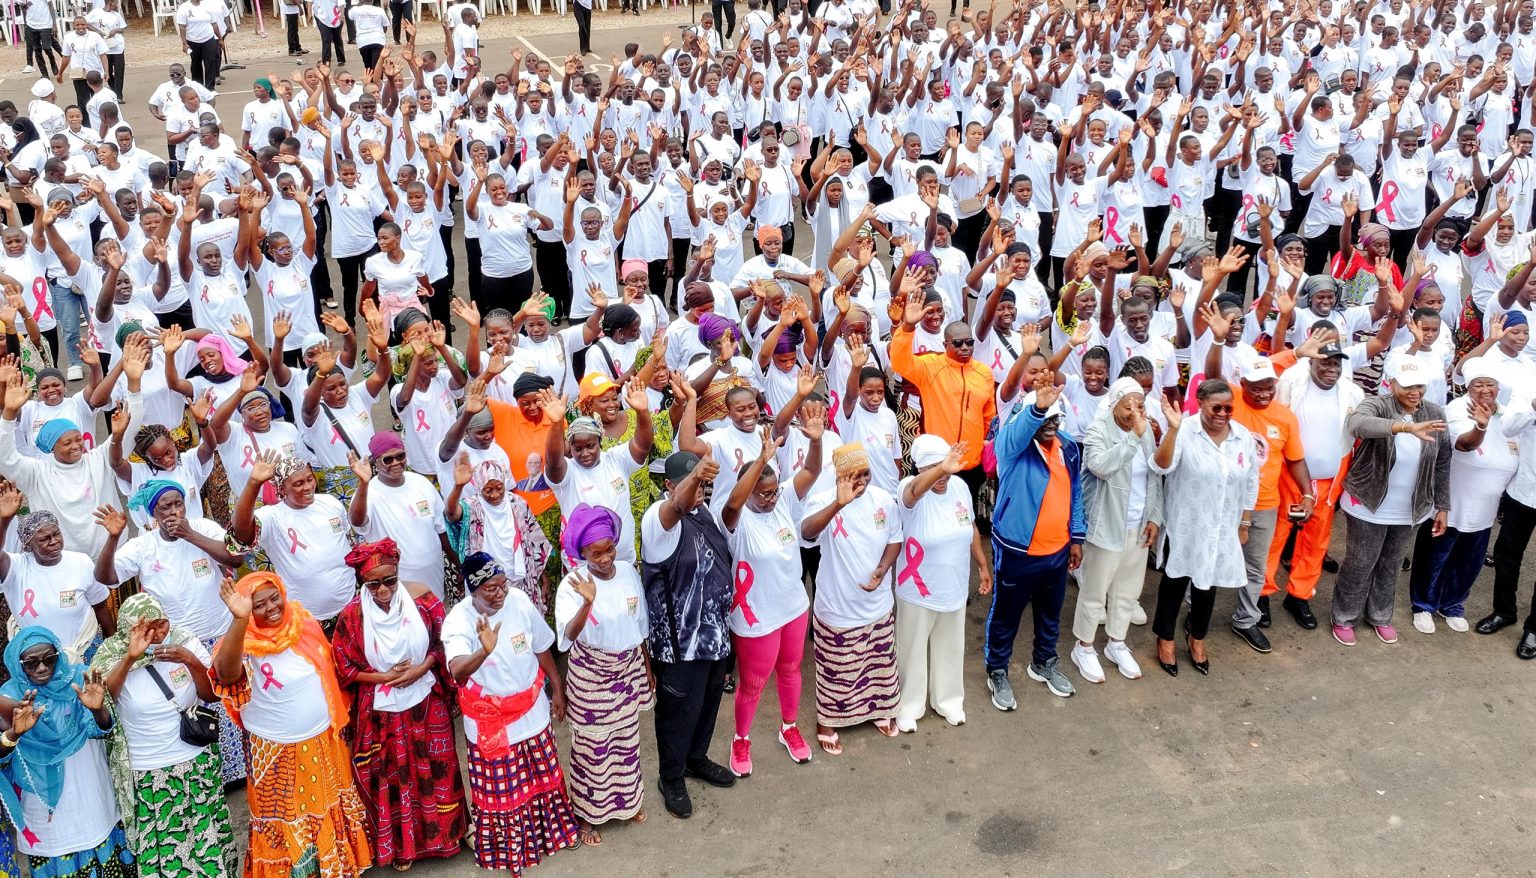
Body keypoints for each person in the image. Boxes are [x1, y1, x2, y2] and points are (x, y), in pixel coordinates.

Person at [211, 572, 372, 877]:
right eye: (259, 604)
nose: (272, 607)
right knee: (287, 819)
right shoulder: (241, 643)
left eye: (275, 597)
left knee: (328, 805)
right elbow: (227, 676)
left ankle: (335, 868)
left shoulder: (303, 623)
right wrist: (240, 620)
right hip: (275, 753)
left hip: (323, 741)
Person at [93, 484, 249, 785]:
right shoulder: (144, 545)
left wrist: (190, 534)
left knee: (228, 706)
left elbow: (234, 559)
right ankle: (206, 773)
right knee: (192, 706)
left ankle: (237, 774)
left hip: (220, 635)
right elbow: (106, 577)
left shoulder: (202, 526)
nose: (174, 511)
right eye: (165, 507)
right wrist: (113, 538)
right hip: (174, 643)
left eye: (178, 503)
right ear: (154, 513)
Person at [331, 539, 467, 870]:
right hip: (380, 712)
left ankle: (445, 838)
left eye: (389, 581)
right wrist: (384, 678)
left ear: (398, 572)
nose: (382, 591)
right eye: (372, 584)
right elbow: (345, 668)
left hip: (425, 701)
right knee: (392, 776)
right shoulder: (352, 616)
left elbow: (442, 641)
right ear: (362, 582)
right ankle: (401, 847)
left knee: (437, 768)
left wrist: (422, 667)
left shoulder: (423, 599)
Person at [443, 552, 580, 873]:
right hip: (492, 725)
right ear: (472, 590)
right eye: (491, 589)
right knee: (505, 794)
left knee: (543, 777)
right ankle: (511, 851)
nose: (501, 593)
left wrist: (557, 687)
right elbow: (457, 671)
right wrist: (484, 650)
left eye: (503, 585)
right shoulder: (458, 621)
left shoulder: (518, 600)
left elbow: (540, 645)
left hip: (533, 713)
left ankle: (553, 835)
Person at [91, 593, 238, 877]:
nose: (159, 633)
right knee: (170, 856)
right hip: (151, 775)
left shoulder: (183, 639)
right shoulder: (111, 654)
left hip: (197, 765)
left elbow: (211, 694)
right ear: (130, 629)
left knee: (208, 847)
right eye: (148, 627)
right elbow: (104, 703)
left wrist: (190, 660)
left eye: (163, 624)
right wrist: (130, 657)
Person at [719, 415, 824, 770]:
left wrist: (816, 441)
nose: (769, 498)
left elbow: (811, 471)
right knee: (752, 683)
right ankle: (741, 739)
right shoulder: (736, 520)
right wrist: (762, 459)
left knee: (792, 669)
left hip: (793, 607)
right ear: (748, 489)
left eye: (773, 490)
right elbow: (733, 504)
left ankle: (789, 728)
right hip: (755, 616)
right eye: (761, 493)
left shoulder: (782, 502)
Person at [639, 451, 736, 818]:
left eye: (703, 482)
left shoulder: (704, 512)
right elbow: (678, 505)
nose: (699, 489)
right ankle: (672, 776)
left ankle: (696, 758)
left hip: (713, 636)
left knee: (708, 703)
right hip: (681, 642)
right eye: (692, 482)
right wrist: (694, 476)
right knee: (677, 711)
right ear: (669, 484)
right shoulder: (659, 520)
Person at [1333, 358, 1452, 646]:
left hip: (1409, 508)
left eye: (1420, 385)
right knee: (1361, 562)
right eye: (1408, 385)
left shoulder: (1435, 412)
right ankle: (1344, 616)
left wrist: (1442, 506)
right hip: (1368, 502)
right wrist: (1404, 427)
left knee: (1391, 563)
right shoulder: (1377, 404)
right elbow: (1357, 424)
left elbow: (1443, 462)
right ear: (1392, 382)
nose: (1416, 391)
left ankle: (1379, 616)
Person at [554, 505, 654, 845]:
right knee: (592, 750)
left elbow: (640, 624)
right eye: (595, 553)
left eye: (609, 548)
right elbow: (566, 639)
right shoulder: (573, 584)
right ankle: (586, 816)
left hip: (628, 670)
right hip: (591, 679)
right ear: (582, 553)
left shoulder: (628, 572)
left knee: (627, 742)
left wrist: (647, 669)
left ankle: (628, 803)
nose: (605, 558)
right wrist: (587, 603)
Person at [0, 627, 132, 878]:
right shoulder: (8, 698)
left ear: (59, 655)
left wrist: (97, 710)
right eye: (31, 663)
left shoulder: (80, 679)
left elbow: (103, 730)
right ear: (18, 665)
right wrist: (16, 733)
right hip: (45, 811)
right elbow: (2, 757)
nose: (42, 668)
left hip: (91, 795)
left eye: (49, 659)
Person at [983, 377, 1084, 704]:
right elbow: (1014, 434)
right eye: (1044, 418)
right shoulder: (1012, 446)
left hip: (1057, 551)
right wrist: (1038, 408)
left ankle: (1044, 663)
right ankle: (997, 670)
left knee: (1050, 613)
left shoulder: (1068, 447)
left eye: (1055, 417)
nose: (1050, 424)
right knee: (1006, 615)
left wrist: (1076, 537)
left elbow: (1076, 495)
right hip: (1017, 551)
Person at [1150, 379, 1259, 676]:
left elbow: (1251, 481)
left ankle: (1197, 636)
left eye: (1228, 408)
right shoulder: (1185, 430)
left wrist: (1244, 522)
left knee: (1207, 585)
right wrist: (1172, 430)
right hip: (1185, 523)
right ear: (1200, 403)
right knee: (1174, 582)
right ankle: (1166, 637)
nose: (1222, 414)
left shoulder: (1243, 437)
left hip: (1222, 527)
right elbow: (1161, 466)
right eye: (1216, 407)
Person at [799, 442, 902, 751]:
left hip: (877, 603)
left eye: (866, 474)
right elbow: (806, 533)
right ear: (839, 476)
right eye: (853, 476)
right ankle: (827, 720)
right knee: (838, 669)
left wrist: (883, 569)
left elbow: (894, 539)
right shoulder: (823, 500)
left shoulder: (883, 499)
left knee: (876, 662)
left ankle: (878, 710)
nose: (861, 481)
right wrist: (838, 504)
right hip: (838, 606)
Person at [0, 351, 145, 557]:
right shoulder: (36, 474)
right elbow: (4, 458)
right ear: (51, 448)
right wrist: (8, 414)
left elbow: (130, 431)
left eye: (78, 439)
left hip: (113, 557)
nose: (76, 446)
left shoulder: (97, 459)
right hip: (66, 568)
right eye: (67, 442)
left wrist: (134, 384)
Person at [1409, 362, 1514, 635]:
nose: (1485, 390)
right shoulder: (1458, 408)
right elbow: (1464, 444)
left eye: (1490, 384)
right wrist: (1480, 427)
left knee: (1469, 562)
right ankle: (1423, 605)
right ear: (1467, 387)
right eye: (1478, 384)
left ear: (1499, 387)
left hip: (1486, 508)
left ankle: (1452, 605)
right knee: (1435, 557)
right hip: (1451, 501)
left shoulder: (1508, 414)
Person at [894, 435, 988, 728]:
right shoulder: (908, 491)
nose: (944, 474)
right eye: (935, 467)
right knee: (912, 648)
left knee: (950, 646)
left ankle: (948, 701)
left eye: (948, 466)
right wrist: (941, 468)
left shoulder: (958, 486)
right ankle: (908, 706)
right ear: (920, 468)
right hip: (917, 590)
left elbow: (970, 526)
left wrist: (983, 564)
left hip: (954, 586)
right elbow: (912, 492)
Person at [1074, 378, 1162, 682]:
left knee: (1127, 592)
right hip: (1106, 526)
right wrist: (1134, 439)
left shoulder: (1145, 432)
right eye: (1129, 405)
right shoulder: (1099, 430)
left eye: (1140, 405)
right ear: (1114, 405)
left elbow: (1154, 477)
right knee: (1095, 591)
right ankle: (1084, 647)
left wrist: (1154, 517)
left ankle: (1116, 642)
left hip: (1137, 527)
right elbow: (1101, 466)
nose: (1135, 412)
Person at [232, 453, 358, 624]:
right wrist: (254, 483)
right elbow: (240, 535)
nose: (307, 487)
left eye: (309, 479)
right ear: (282, 489)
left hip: (352, 605)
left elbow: (351, 544)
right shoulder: (272, 517)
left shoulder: (330, 503)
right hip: (308, 620)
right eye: (298, 483)